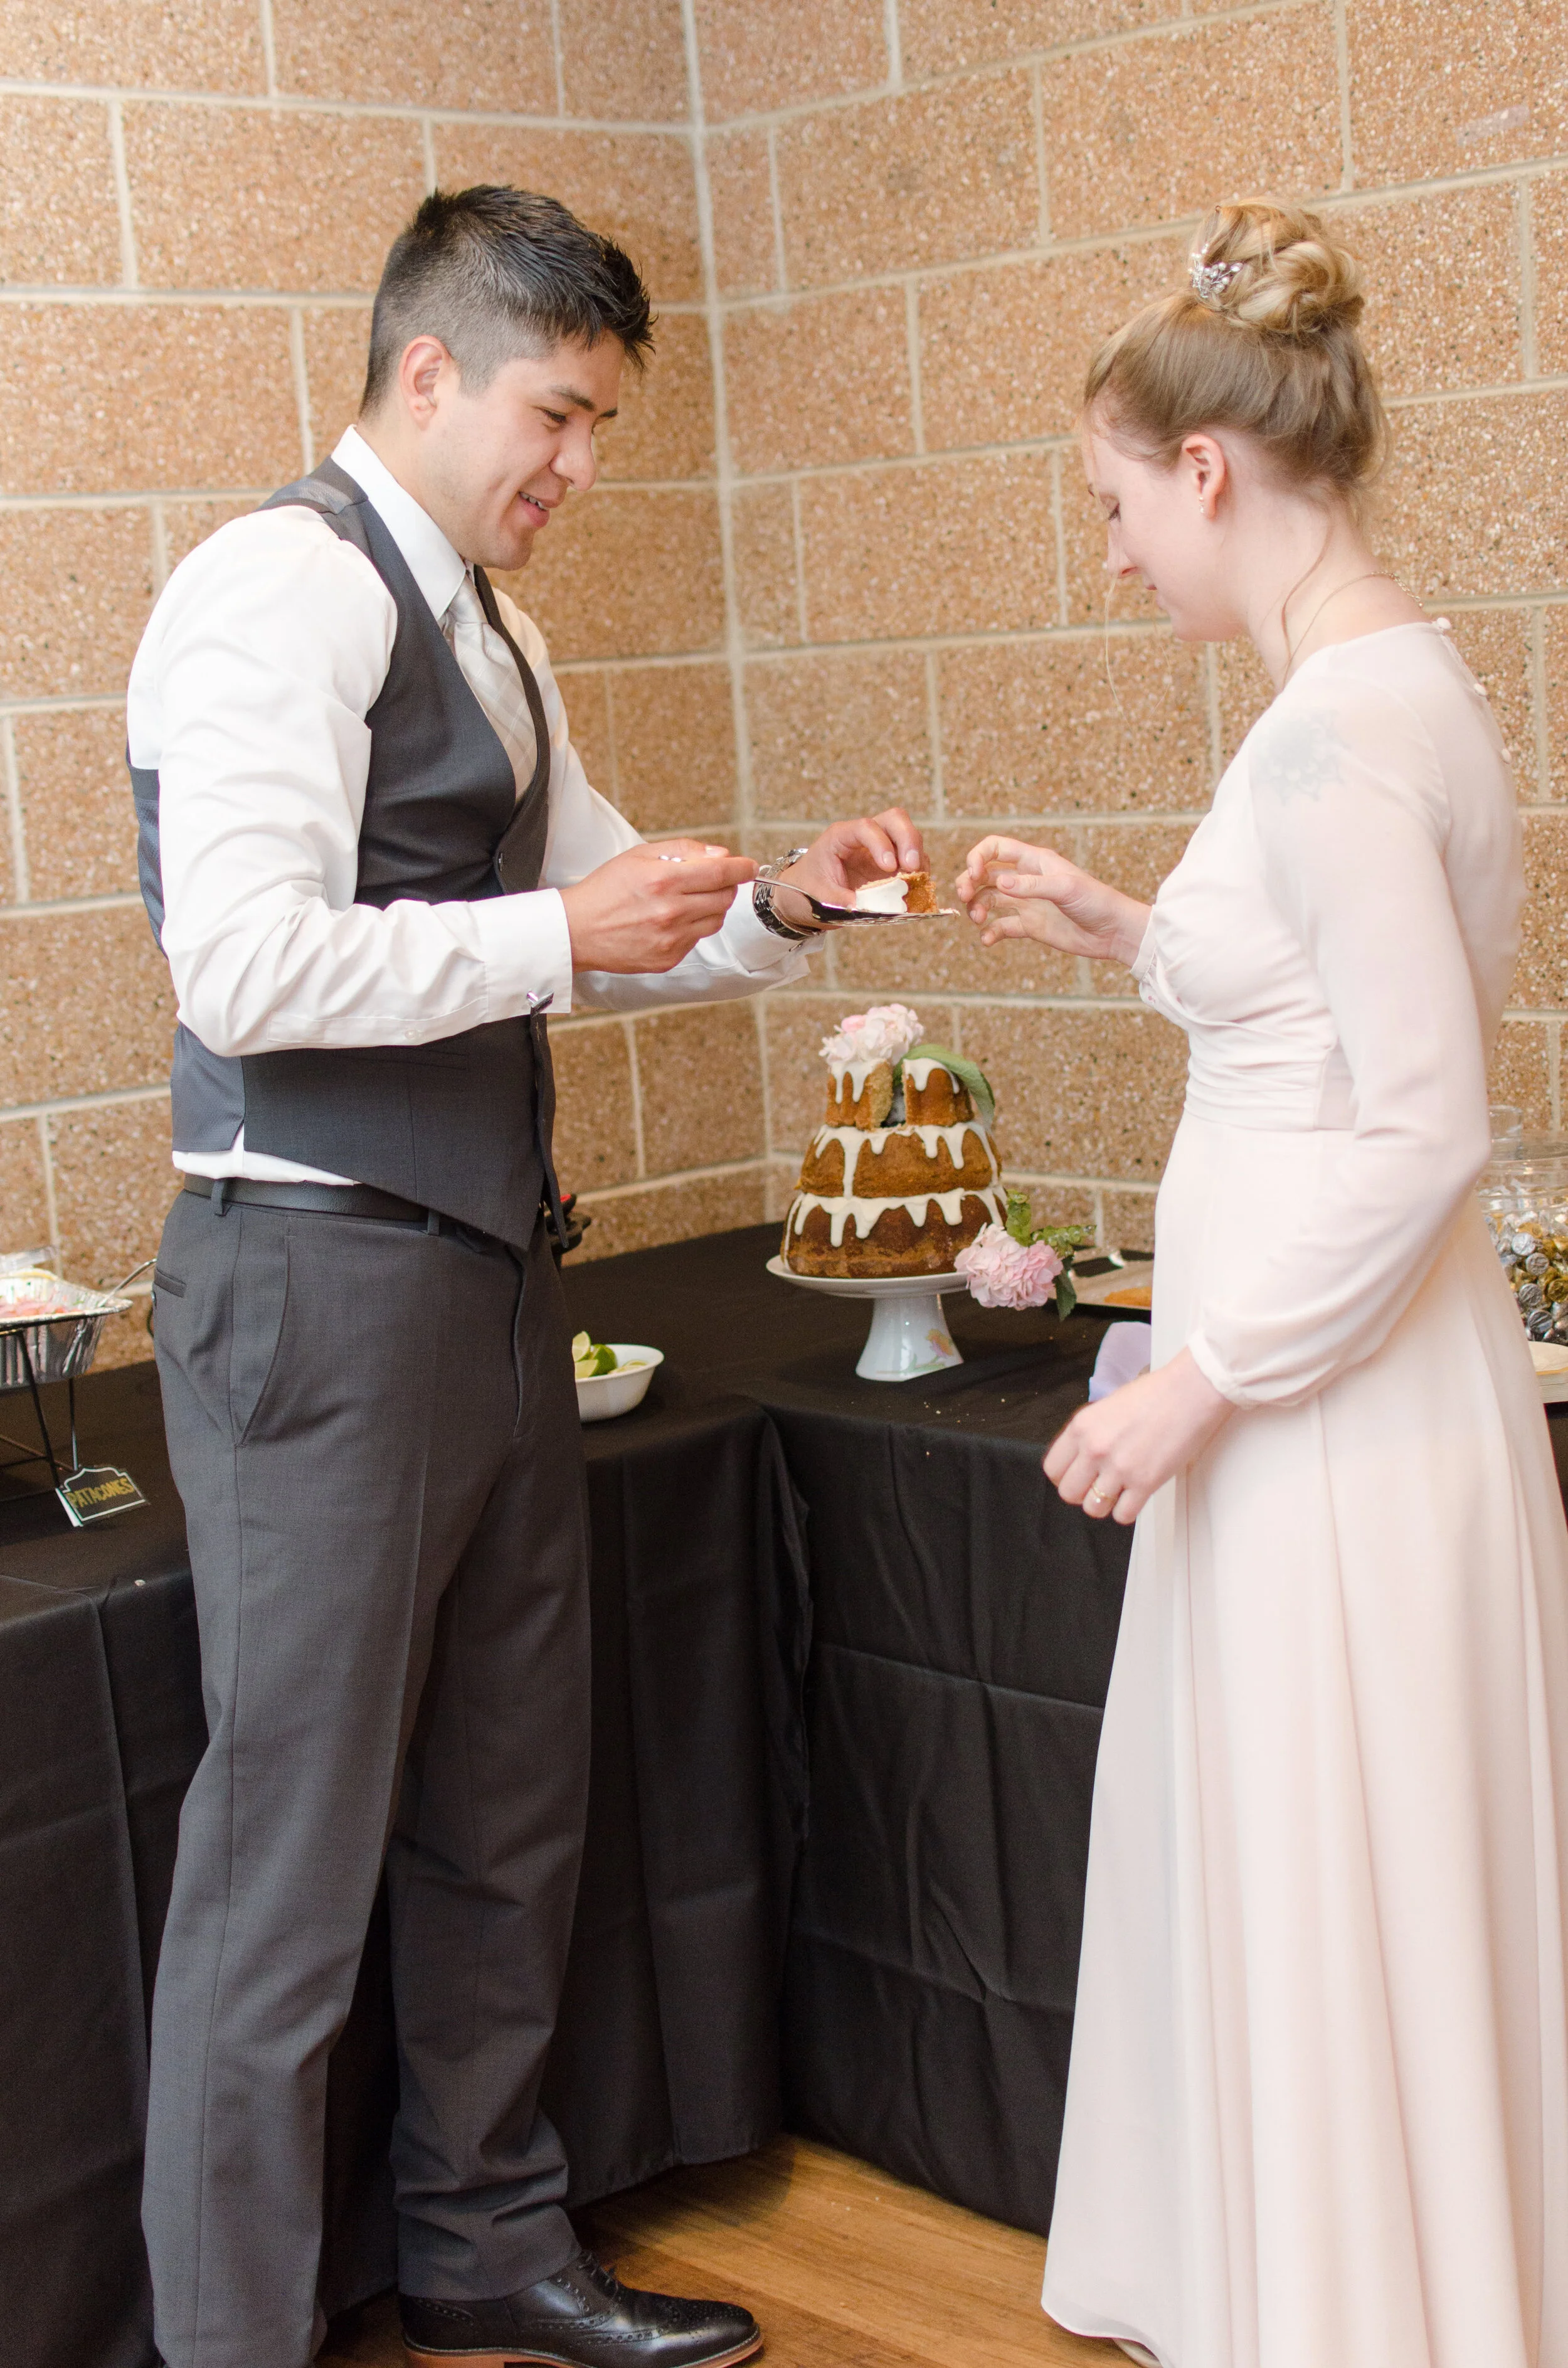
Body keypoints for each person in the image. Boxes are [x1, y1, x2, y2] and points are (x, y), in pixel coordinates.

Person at [127, 183, 924, 2368]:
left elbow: (609, 912)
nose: (576, 467)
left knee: (505, 1817)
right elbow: (243, 957)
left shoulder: (489, 621)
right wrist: (566, 937)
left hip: (478, 1283)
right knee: (281, 1878)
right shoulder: (274, 590)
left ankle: (487, 2241)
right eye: (557, 416)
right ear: (427, 374)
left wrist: (780, 901)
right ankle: (225, 2342)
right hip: (309, 1284)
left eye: (597, 428)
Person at [958, 201, 1568, 2368]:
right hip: (1350, 1405)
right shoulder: (1371, 684)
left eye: (1117, 506)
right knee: (1340, 1873)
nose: (1115, 555)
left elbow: (1420, 1124)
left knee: (1340, 1878)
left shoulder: (1323, 737)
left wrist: (1194, 1379)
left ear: (1206, 474)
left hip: (1327, 1419)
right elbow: (1315, 1012)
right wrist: (1122, 928)